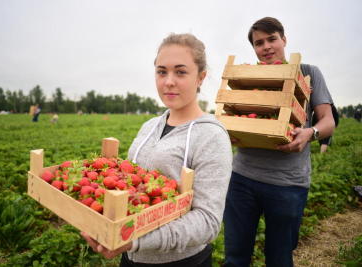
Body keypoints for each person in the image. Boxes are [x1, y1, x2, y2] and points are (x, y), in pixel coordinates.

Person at [81, 33, 233, 267]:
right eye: (162, 72)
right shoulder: (149, 126)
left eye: (180, 72)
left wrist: (136, 241)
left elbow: (208, 222)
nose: (168, 81)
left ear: (201, 77)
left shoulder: (212, 137)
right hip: (130, 256)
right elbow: (131, 185)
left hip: (181, 261)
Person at [223, 17, 335, 267]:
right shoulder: (249, 77)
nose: (266, 47)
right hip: (241, 179)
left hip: (287, 184)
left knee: (279, 258)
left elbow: (328, 121)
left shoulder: (308, 72)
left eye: (272, 39)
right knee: (235, 257)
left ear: (284, 40)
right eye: (259, 43)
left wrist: (310, 133)